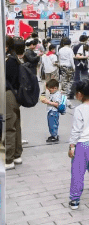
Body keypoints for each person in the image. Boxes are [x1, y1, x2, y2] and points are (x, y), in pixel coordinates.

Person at [68, 79, 89, 210]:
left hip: (82, 145)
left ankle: (75, 200)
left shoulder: (79, 109)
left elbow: (76, 130)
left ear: (79, 94)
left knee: (78, 173)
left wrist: (72, 146)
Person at [6, 36, 26, 170]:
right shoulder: (14, 59)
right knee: (15, 124)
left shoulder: (8, 61)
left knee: (9, 126)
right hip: (15, 95)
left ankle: (8, 159)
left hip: (8, 94)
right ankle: (17, 155)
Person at [41, 79, 63, 143]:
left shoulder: (57, 94)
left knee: (53, 124)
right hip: (51, 111)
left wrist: (48, 102)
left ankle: (54, 136)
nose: (49, 90)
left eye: (50, 89)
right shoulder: (53, 93)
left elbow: (57, 104)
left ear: (55, 88)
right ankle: (53, 135)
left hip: (54, 112)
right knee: (51, 124)